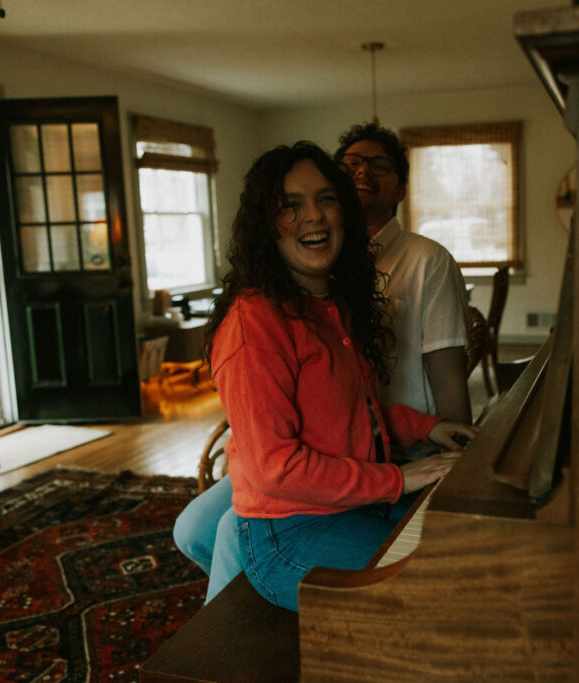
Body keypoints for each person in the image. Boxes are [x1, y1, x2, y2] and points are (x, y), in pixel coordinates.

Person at [175, 142, 477, 611]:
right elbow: (275, 468)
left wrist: (427, 427)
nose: (312, 216)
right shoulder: (254, 322)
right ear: (266, 226)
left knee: (462, 558)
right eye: (290, 206)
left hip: (348, 505)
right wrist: (400, 477)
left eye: (325, 199)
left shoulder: (329, 306)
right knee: (436, 597)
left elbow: (353, 416)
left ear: (344, 214)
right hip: (289, 533)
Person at [334, 123, 472, 429]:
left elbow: (449, 378)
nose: (363, 172)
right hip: (341, 447)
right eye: (352, 164)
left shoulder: (428, 260)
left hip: (412, 446)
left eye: (379, 166)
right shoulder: (321, 260)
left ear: (401, 190)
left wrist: (458, 456)